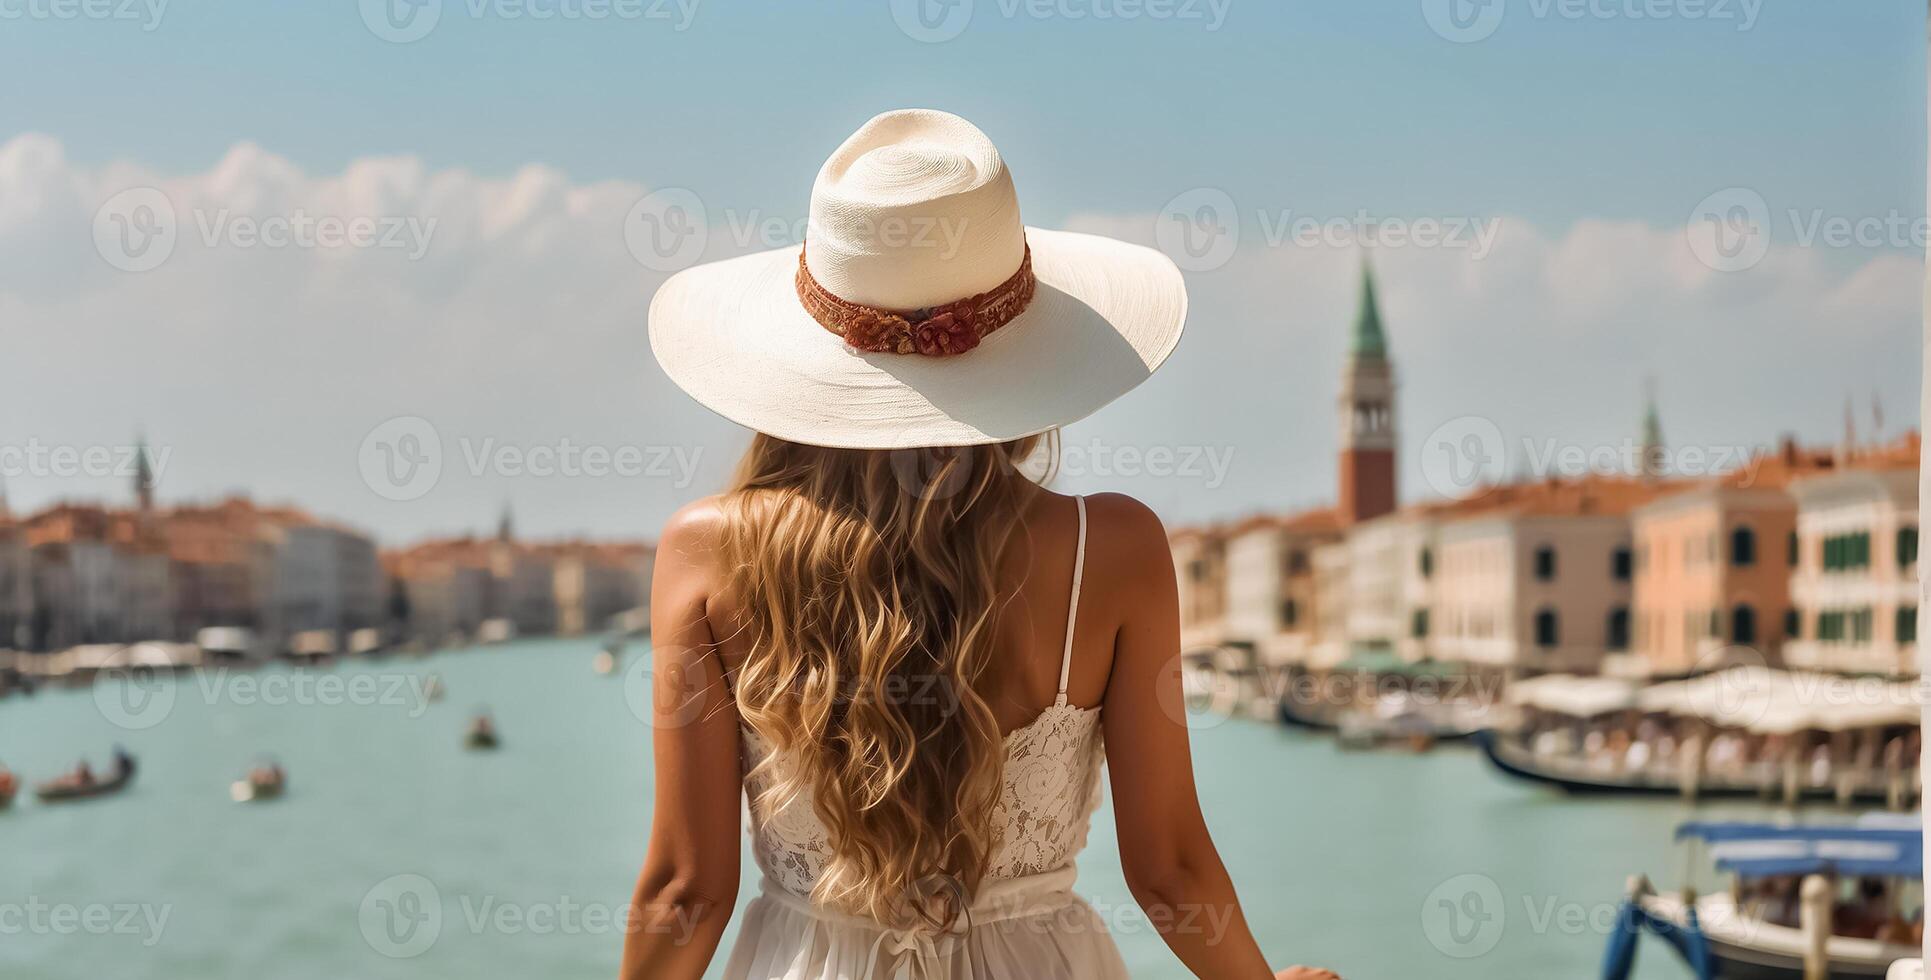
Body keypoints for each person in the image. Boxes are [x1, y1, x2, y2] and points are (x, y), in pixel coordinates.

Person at [621, 110, 1337, 980]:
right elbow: (1169, 868)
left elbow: (687, 892)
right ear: (1020, 353)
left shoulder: (706, 554)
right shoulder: (1111, 549)